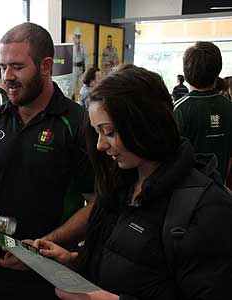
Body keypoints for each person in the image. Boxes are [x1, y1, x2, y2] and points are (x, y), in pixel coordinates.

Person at [35, 64, 232, 300]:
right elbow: (123, 265)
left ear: (145, 126)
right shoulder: (120, 185)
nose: (100, 145)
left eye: (109, 132)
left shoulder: (207, 207)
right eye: (97, 132)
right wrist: (74, 262)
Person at [0, 22, 95, 300]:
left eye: (17, 67)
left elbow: (96, 202)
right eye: (3, 67)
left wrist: (43, 246)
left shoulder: (77, 123)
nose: (7, 76)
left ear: (45, 66)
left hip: (50, 269)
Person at [174, 41, 232, 184]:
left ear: (186, 72)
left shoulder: (180, 108)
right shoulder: (229, 106)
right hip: (219, 189)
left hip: (186, 193)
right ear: (218, 71)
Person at [72, 27, 89, 97]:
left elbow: (86, 58)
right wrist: (76, 46)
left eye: (79, 36)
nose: (77, 38)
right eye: (76, 36)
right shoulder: (72, 46)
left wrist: (86, 69)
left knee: (81, 85)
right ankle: (72, 98)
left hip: (81, 68)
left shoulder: (83, 47)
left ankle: (80, 100)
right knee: (73, 85)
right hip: (74, 68)